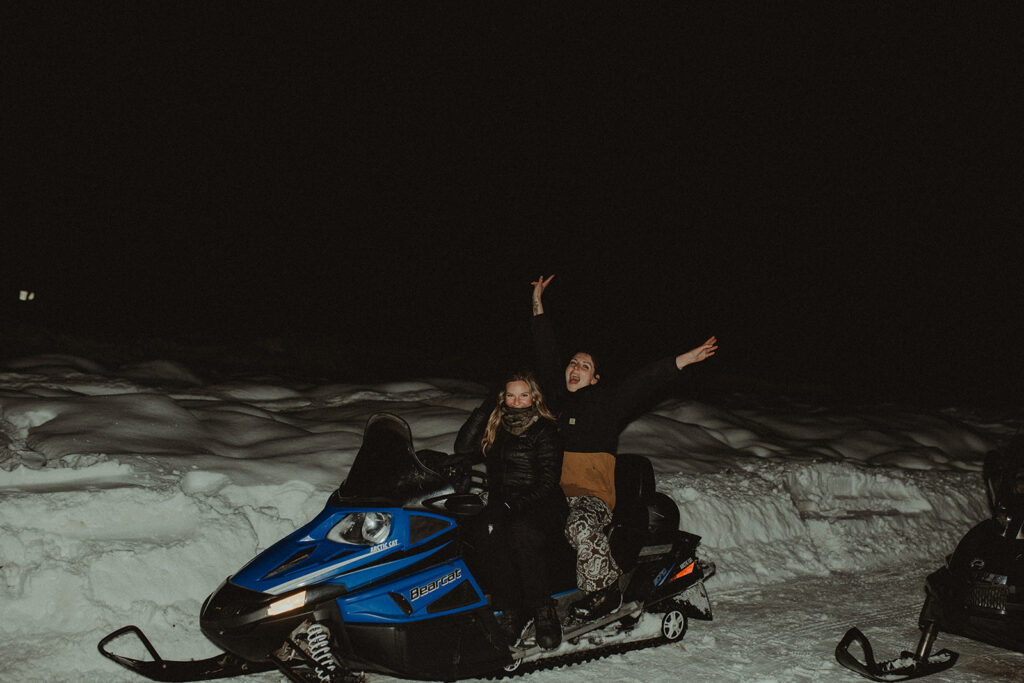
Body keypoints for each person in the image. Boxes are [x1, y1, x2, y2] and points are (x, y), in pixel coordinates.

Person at [530, 274, 717, 620]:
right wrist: (538, 303)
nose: (575, 368)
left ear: (595, 379)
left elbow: (642, 381)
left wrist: (684, 360)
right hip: (553, 494)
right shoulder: (556, 402)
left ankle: (605, 593)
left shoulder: (606, 404)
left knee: (581, 528)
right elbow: (546, 354)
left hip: (593, 497)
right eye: (573, 363)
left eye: (585, 366)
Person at [454, 372, 568, 650]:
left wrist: (510, 506)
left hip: (542, 503)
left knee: (521, 532)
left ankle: (543, 610)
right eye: (511, 395)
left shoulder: (545, 431)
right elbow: (464, 447)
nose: (517, 402)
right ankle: (509, 611)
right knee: (485, 533)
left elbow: (548, 483)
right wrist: (484, 410)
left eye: (524, 395)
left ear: (534, 398)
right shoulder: (497, 427)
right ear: (502, 398)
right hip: (503, 503)